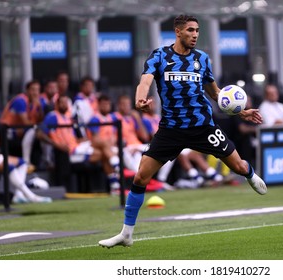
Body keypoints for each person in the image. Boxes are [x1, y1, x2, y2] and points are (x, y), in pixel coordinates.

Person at [98, 14, 267, 248]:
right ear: (178, 32)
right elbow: (145, 81)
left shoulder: (202, 59)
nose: (195, 35)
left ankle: (250, 174)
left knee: (238, 166)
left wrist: (241, 111)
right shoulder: (159, 56)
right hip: (171, 130)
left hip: (203, 127)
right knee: (140, 177)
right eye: (190, 30)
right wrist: (140, 99)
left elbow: (216, 94)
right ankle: (126, 234)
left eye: (197, 30)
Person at [38, 95, 121, 192]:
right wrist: (56, 145)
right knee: (103, 152)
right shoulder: (52, 116)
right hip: (71, 152)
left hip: (77, 146)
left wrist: (82, 140)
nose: (64, 105)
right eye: (62, 102)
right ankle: (115, 170)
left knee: (103, 149)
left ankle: (114, 183)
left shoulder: (67, 118)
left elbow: (71, 138)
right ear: (57, 104)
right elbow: (39, 134)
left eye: (66, 102)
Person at [0, 80, 44, 172]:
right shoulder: (20, 101)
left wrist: (39, 108)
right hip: (7, 131)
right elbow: (26, 123)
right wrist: (38, 125)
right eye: (33, 90)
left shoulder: (36, 103)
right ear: (27, 91)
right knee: (33, 131)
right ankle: (26, 162)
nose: (35, 93)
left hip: (21, 131)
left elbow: (40, 120)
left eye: (37, 90)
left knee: (38, 134)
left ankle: (42, 162)